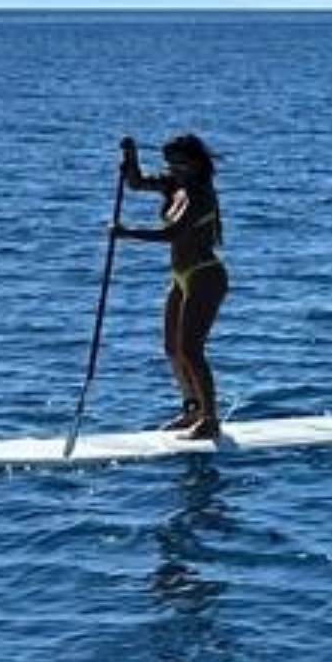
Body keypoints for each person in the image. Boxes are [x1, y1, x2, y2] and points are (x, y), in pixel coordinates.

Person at [116, 133, 229, 440]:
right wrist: (131, 157)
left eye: (180, 163)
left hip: (205, 276)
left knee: (191, 350)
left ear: (196, 162)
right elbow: (136, 183)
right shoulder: (173, 185)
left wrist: (127, 233)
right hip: (180, 277)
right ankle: (192, 409)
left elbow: (173, 234)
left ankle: (210, 420)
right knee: (172, 348)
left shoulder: (202, 196)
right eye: (170, 163)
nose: (174, 169)